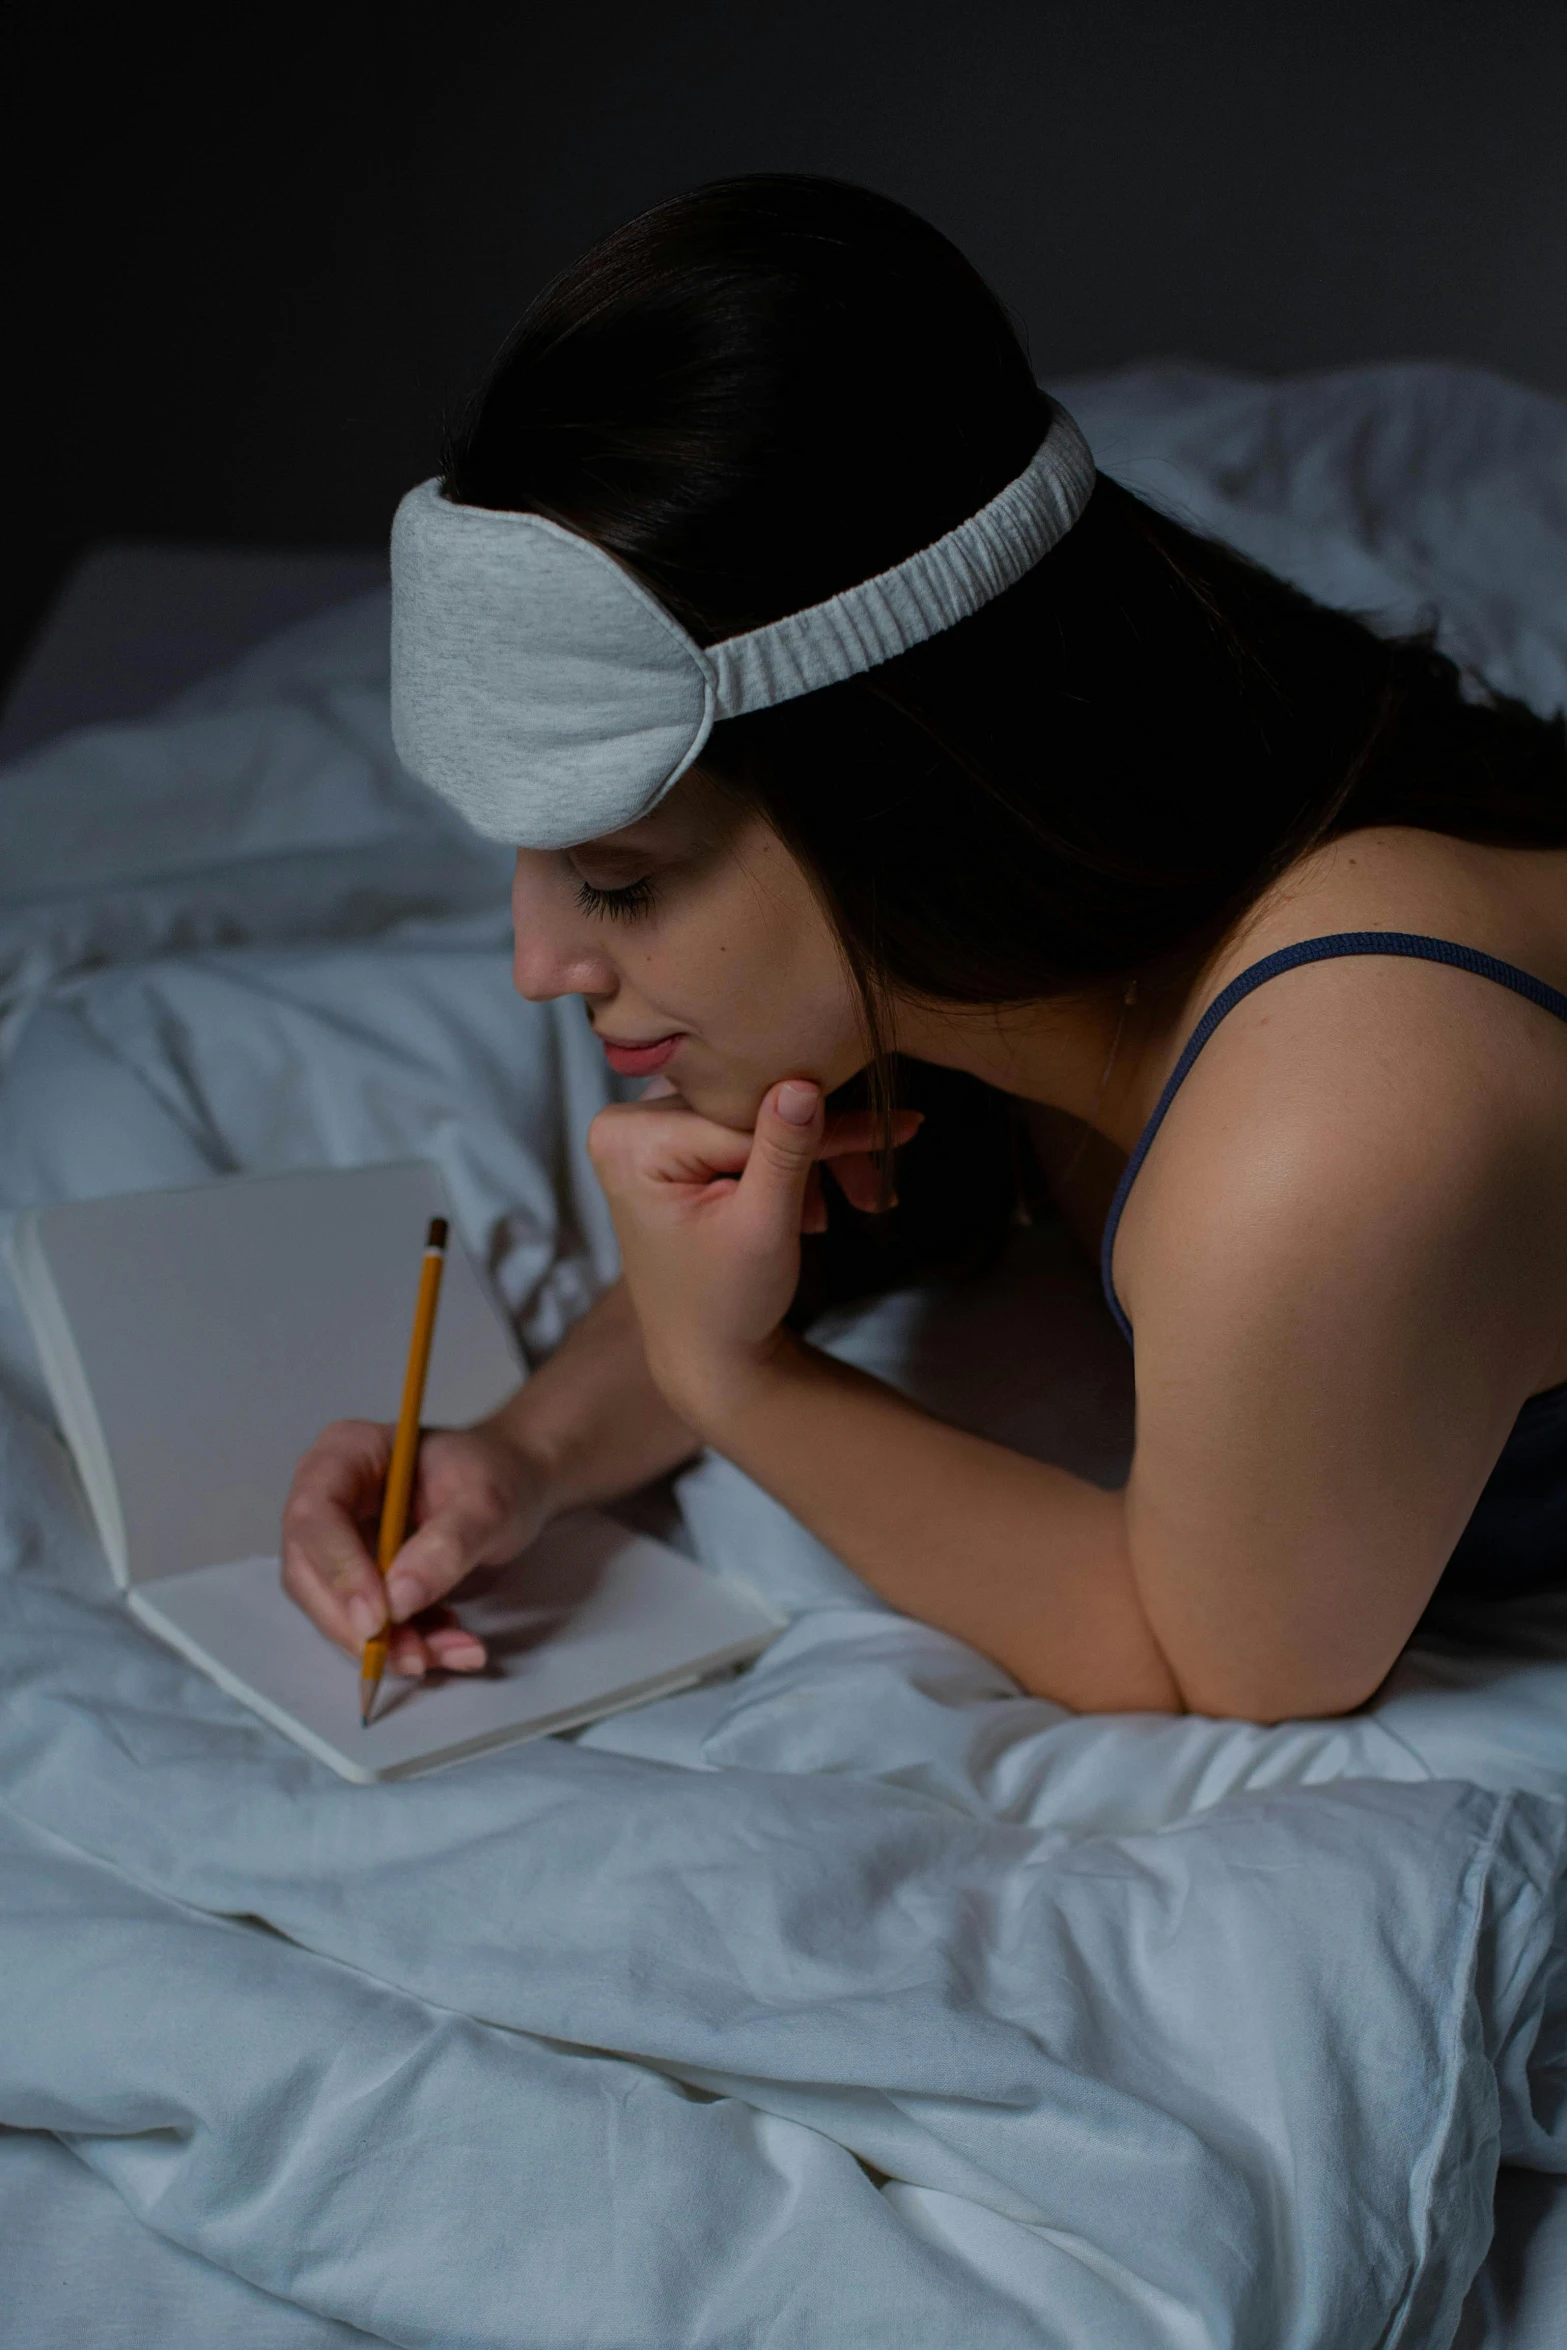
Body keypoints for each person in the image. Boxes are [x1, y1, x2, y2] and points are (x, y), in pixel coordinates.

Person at [280, 175, 1567, 1723]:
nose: (540, 964)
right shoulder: (997, 961)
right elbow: (791, 1235)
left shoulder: (1334, 1116)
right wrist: (522, 1454)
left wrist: (737, 1383)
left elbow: (1222, 1660)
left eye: (617, 881)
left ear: (906, 796)